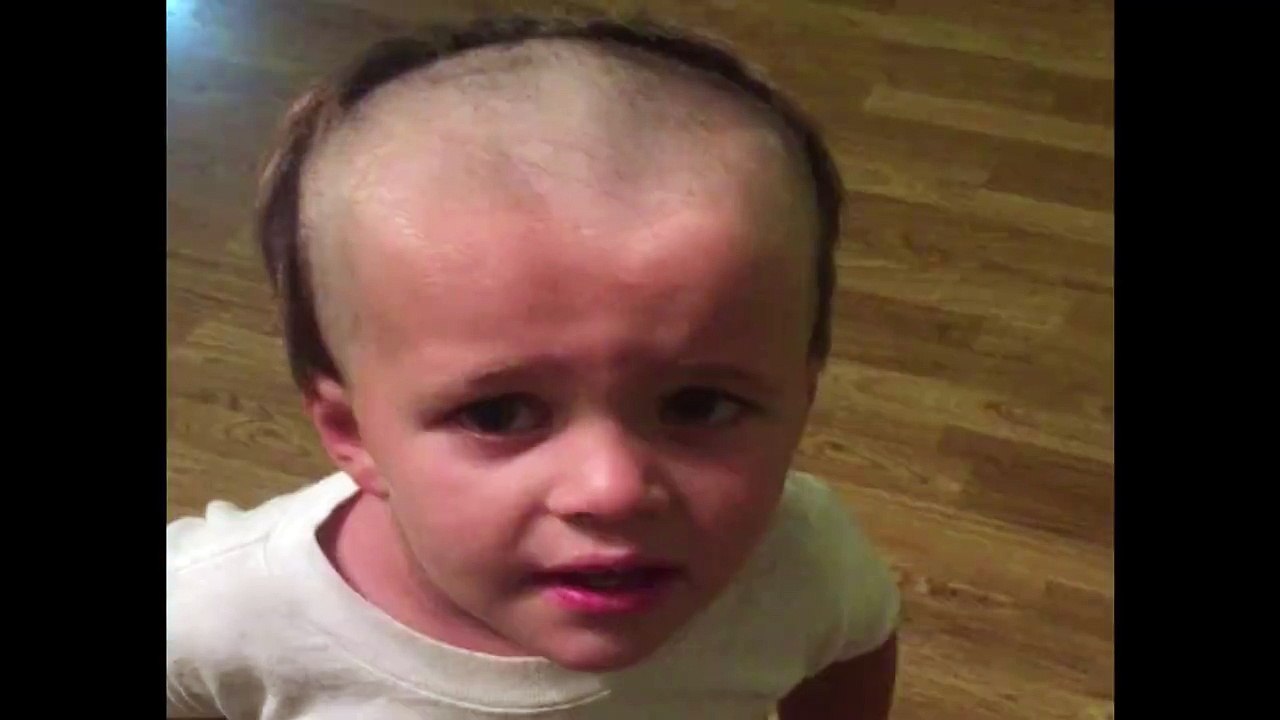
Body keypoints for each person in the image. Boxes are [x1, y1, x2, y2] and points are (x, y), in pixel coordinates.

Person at [167, 14, 901, 719]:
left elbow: (854, 644)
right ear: (350, 431)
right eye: (498, 414)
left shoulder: (800, 561)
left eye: (700, 404)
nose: (611, 491)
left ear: (802, 400)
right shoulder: (220, 612)